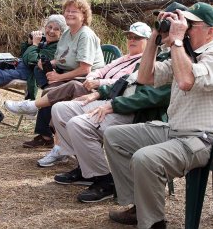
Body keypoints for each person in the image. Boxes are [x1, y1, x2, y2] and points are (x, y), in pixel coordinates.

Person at [104, 2, 213, 229]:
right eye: (182, 23)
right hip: (177, 133)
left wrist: (176, 41)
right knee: (114, 136)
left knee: (146, 158)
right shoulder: (184, 55)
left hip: (211, 140)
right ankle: (139, 207)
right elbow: (144, 77)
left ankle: (154, 223)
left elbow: (187, 81)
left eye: (190, 24)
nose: (184, 28)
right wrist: (155, 39)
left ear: (211, 31)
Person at [49, 35, 176, 202]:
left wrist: (114, 105)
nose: (164, 33)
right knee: (61, 109)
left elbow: (154, 97)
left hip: (136, 112)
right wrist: (99, 93)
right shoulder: (160, 56)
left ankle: (105, 181)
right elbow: (127, 81)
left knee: (78, 124)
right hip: (116, 102)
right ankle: (86, 169)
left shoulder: (180, 61)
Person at [4, 21, 151, 159]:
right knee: (52, 88)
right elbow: (101, 70)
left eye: (137, 38)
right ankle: (57, 144)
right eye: (129, 37)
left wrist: (99, 82)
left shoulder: (143, 62)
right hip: (94, 88)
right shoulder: (125, 58)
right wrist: (92, 77)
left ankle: (33, 108)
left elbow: (125, 82)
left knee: (72, 85)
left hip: (107, 97)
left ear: (148, 42)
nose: (132, 40)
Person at [7, 0, 105, 146]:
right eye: (67, 10)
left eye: (75, 11)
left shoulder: (85, 35)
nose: (69, 14)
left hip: (87, 81)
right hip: (69, 75)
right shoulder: (66, 33)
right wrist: (47, 63)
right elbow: (61, 59)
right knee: (47, 82)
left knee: (52, 89)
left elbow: (85, 69)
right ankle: (48, 136)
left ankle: (34, 109)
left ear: (84, 15)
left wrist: (58, 77)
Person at [0, 14, 67, 125]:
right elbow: (24, 54)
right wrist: (29, 42)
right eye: (49, 27)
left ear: (61, 33)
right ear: (45, 27)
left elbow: (32, 60)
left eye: (56, 29)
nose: (51, 31)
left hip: (25, 74)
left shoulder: (56, 47)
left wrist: (34, 44)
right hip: (16, 68)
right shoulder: (44, 42)